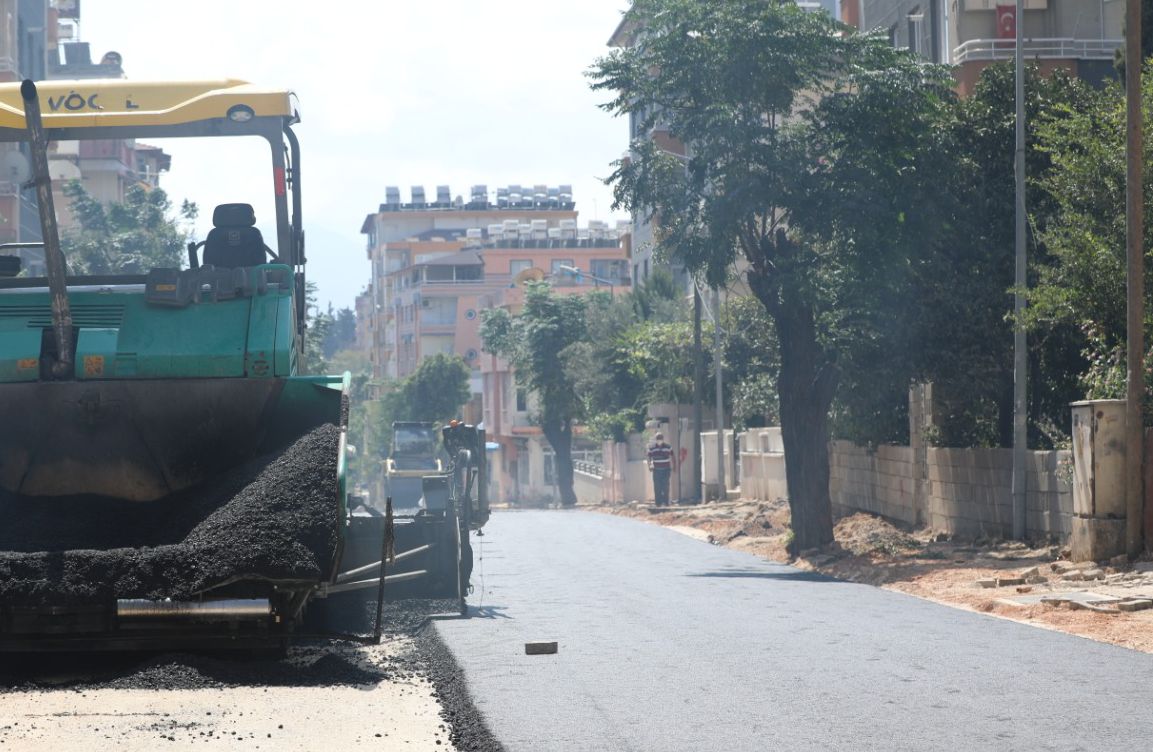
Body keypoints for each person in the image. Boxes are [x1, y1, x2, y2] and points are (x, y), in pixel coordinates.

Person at [647, 431, 674, 507]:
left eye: (660, 438)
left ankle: (666, 503)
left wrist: (673, 466)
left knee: (665, 486)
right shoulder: (651, 448)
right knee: (657, 487)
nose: (659, 440)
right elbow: (648, 457)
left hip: (666, 470)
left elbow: (672, 456)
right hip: (656, 470)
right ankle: (658, 503)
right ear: (656, 439)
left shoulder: (668, 447)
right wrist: (649, 466)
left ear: (663, 439)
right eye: (658, 438)